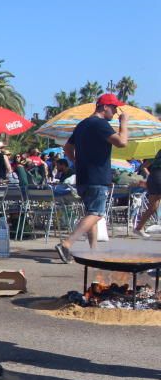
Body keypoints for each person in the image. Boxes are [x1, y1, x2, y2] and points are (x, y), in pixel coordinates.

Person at [56, 93, 129, 262]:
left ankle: (93, 251)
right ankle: (66, 244)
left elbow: (67, 148)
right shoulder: (100, 124)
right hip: (97, 177)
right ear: (105, 107)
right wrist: (123, 123)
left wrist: (78, 162)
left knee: (91, 214)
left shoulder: (82, 124)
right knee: (97, 213)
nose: (116, 111)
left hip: (83, 177)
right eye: (114, 108)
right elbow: (122, 142)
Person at [132, 149, 161, 238]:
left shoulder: (158, 152)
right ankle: (138, 228)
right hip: (158, 177)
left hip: (153, 177)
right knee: (153, 206)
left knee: (153, 207)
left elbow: (144, 165)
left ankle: (139, 228)